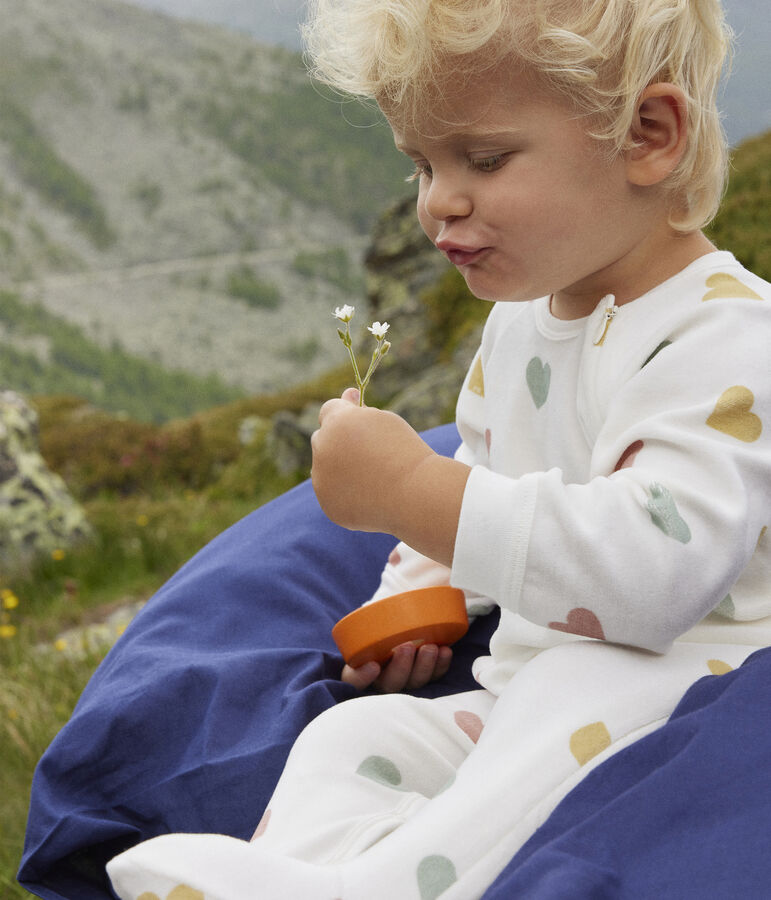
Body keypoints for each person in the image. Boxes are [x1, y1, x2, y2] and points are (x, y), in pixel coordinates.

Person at [107, 0, 771, 897]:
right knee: (352, 738)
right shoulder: (518, 326)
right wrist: (422, 593)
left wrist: (413, 490)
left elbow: (653, 573)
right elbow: (485, 478)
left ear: (647, 136)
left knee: (555, 710)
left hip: (679, 686)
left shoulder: (725, 342)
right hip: (526, 690)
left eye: (484, 159)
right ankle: (292, 872)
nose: (436, 203)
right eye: (420, 163)